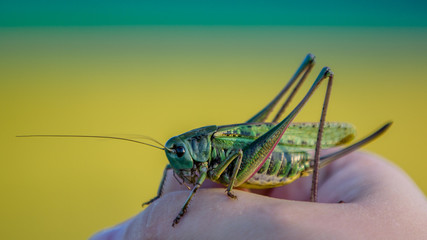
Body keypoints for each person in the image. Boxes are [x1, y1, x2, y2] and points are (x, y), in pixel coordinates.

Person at [90, 151, 427, 239]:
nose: (175, 159)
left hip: (270, 163)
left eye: (180, 151)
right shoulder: (179, 165)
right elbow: (172, 172)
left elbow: (237, 160)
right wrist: (157, 200)